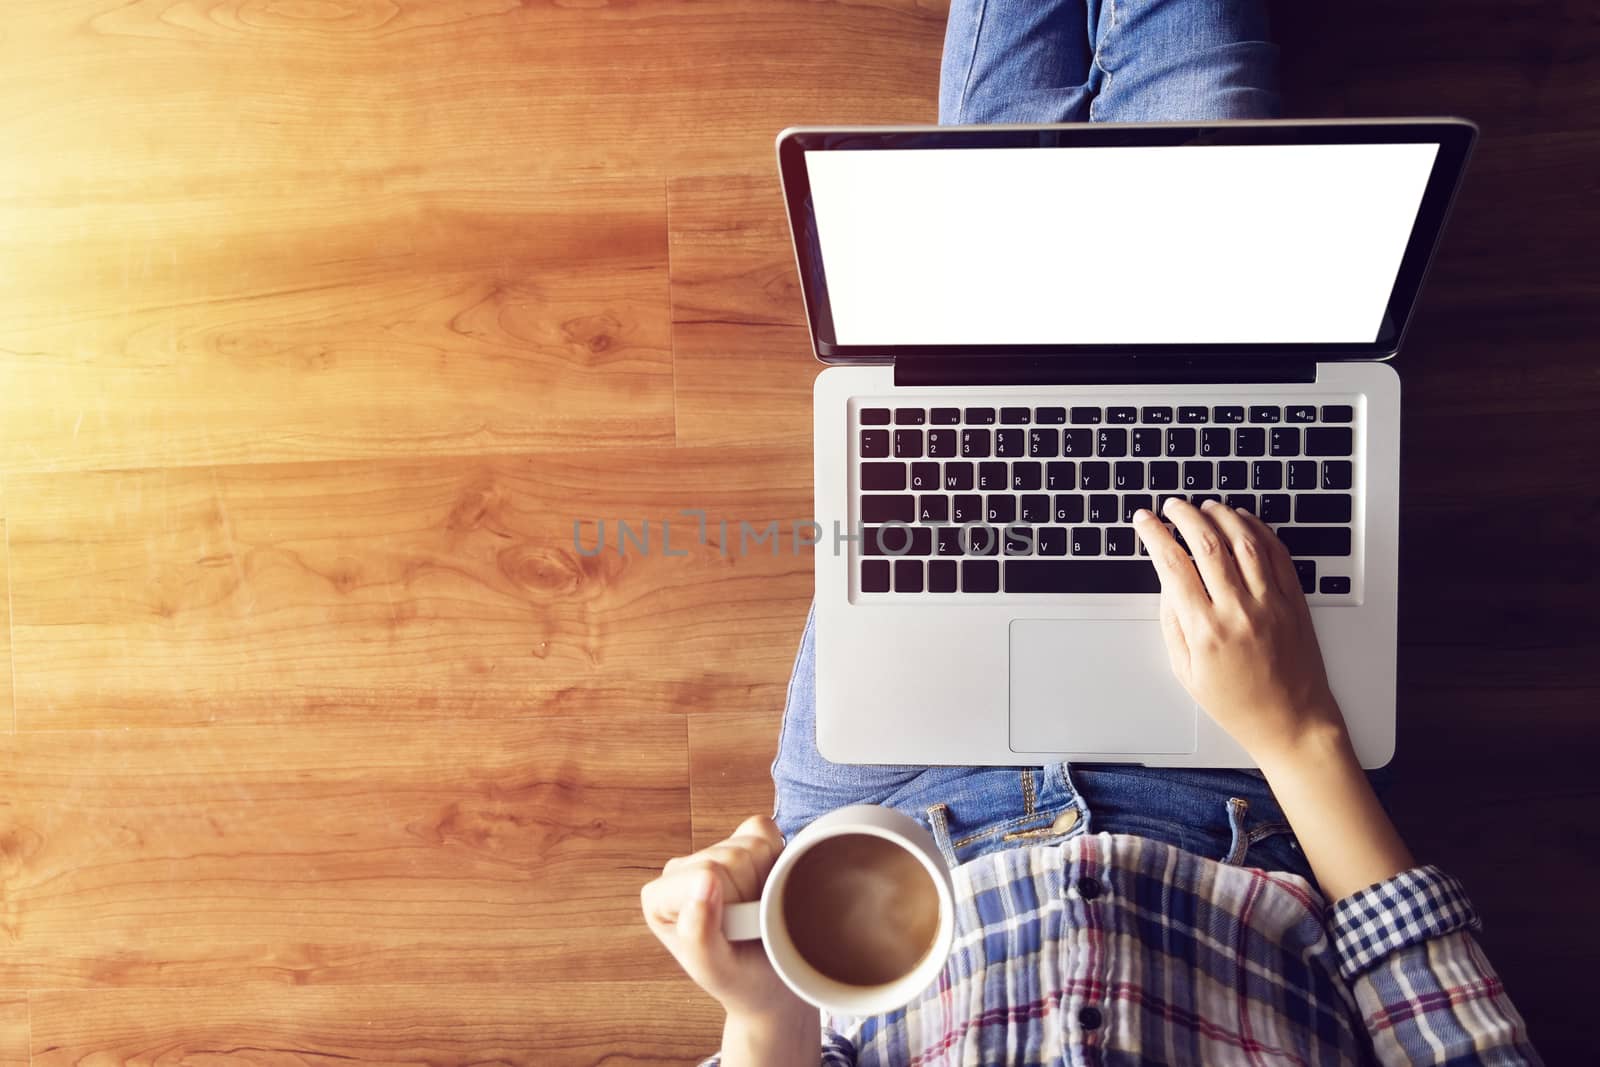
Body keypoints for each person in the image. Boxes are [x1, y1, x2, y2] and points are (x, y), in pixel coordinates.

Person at [642, 4, 1541, 1064]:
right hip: (1245, 789)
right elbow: (1431, 995)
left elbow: (793, 1037)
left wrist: (762, 1012)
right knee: (1201, 115)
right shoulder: (1278, 747)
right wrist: (1297, 732)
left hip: (895, 828)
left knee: (985, 250)